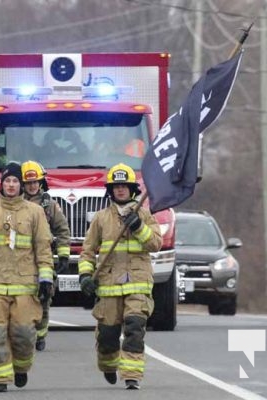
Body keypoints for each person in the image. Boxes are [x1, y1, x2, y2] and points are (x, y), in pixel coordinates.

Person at [0, 162, 54, 393]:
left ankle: (21, 367)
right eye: (7, 181)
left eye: (15, 181)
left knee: (23, 333)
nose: (11, 185)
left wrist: (46, 279)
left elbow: (43, 248)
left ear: (21, 184)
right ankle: (0, 379)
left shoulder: (35, 213)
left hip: (24, 284)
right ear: (1, 184)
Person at [78, 163, 162, 390]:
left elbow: (156, 243)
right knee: (108, 337)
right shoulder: (101, 218)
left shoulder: (144, 214)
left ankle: (132, 376)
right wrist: (85, 275)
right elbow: (87, 251)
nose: (121, 190)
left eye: (125, 186)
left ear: (133, 189)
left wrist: (138, 227)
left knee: (135, 329)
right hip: (109, 286)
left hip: (138, 284)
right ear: (110, 190)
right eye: (116, 186)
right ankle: (108, 364)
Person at [21, 160, 70, 351]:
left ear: (41, 183)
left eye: (35, 182)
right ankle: (25, 333)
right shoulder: (16, 204)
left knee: (44, 296)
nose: (32, 186)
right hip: (20, 260)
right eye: (29, 183)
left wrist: (64, 255)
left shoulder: (50, 206)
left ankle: (40, 335)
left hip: (44, 259)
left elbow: (62, 229)